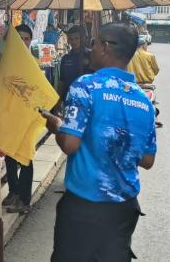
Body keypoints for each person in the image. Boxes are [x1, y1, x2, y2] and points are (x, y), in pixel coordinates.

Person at [43, 22, 157, 261]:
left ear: (105, 47)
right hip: (124, 209)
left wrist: (57, 127)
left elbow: (69, 145)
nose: (90, 48)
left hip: (84, 207)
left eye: (93, 43)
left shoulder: (85, 86)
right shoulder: (144, 101)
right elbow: (147, 159)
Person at [3, 24, 37, 214]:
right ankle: (14, 191)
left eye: (26, 38)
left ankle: (24, 199)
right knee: (9, 155)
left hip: (26, 117)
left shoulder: (32, 63)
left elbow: (33, 91)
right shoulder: (7, 60)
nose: (23, 42)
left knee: (25, 158)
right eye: (20, 38)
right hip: (9, 116)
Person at [127, 35, 162, 128]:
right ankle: (155, 118)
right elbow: (156, 70)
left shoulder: (128, 55)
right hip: (147, 86)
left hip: (132, 84)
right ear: (143, 45)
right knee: (152, 102)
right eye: (146, 44)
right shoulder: (150, 56)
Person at [58, 26, 92, 101]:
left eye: (77, 38)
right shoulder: (65, 58)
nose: (73, 42)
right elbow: (62, 82)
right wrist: (58, 101)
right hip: (69, 98)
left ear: (83, 38)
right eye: (71, 39)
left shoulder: (91, 55)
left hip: (87, 98)